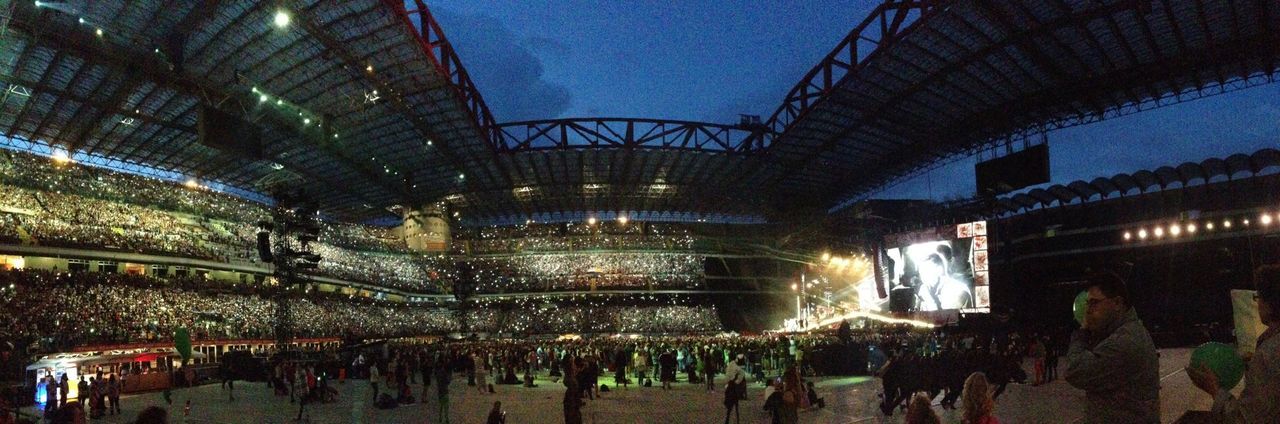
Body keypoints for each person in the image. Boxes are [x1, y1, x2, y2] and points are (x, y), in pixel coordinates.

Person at [1187, 265, 1280, 423]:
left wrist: (1215, 390)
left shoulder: (1269, 353)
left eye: (1258, 297)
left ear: (1271, 302)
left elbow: (1245, 419)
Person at [1064, 272, 1159, 424]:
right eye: (1087, 303)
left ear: (1117, 303)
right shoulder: (1127, 332)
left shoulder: (1124, 342)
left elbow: (1074, 371)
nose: (1087, 310)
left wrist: (1081, 334)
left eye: (1094, 303)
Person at [563, 358, 583, 424]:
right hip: (572, 404)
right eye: (573, 365)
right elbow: (573, 396)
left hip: (572, 403)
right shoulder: (571, 381)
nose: (575, 366)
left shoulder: (571, 378)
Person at [434, 358, 452, 424]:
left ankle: (440, 418)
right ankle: (446, 418)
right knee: (446, 406)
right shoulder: (444, 374)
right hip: (445, 390)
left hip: (440, 391)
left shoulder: (438, 374)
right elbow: (448, 381)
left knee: (440, 406)